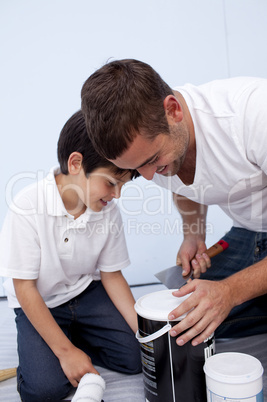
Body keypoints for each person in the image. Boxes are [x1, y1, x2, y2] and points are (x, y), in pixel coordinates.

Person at [81, 59, 267, 348]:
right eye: (135, 171)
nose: (147, 176)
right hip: (251, 232)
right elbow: (180, 179)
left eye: (152, 160)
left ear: (173, 110)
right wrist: (193, 232)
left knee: (215, 302)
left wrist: (230, 291)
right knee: (184, 309)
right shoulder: (156, 146)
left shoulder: (254, 113)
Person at [0, 110, 141, 401]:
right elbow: (24, 288)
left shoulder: (107, 210)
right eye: (112, 183)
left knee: (138, 358)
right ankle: (53, 346)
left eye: (123, 185)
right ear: (76, 163)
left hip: (85, 293)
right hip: (41, 302)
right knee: (44, 390)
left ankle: (71, 338)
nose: (117, 195)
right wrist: (64, 352)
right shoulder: (28, 205)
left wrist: (144, 332)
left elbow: (112, 276)